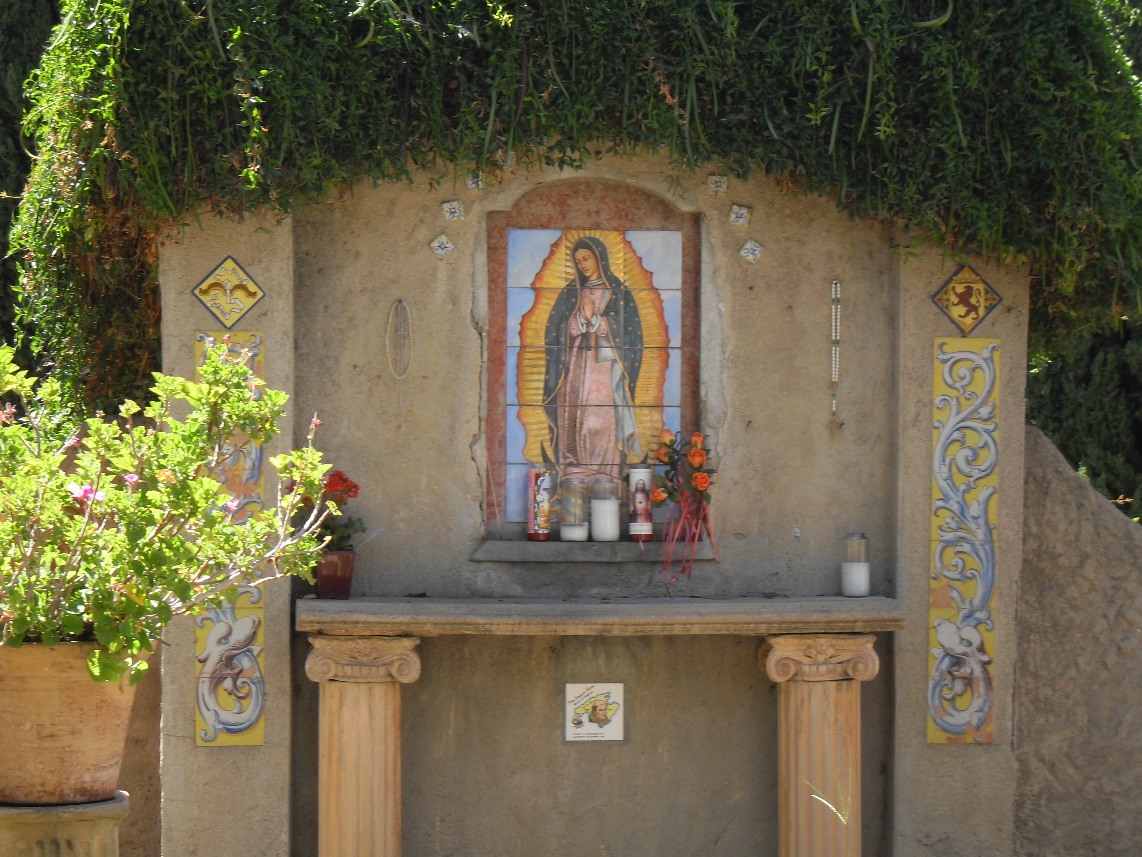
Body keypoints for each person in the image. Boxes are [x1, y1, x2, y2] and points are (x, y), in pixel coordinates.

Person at [542, 236, 643, 480]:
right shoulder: (571, 293)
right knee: (574, 418)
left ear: (599, 258)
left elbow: (629, 332)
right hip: (575, 365)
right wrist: (580, 319)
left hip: (604, 368)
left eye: (586, 258)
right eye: (578, 261)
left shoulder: (617, 292)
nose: (583, 265)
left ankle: (606, 477)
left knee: (599, 421)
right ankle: (574, 476)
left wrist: (595, 319)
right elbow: (557, 329)